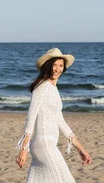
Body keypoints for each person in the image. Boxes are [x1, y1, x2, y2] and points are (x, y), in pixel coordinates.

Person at [15, 48, 92, 182]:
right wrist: (24, 149)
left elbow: (61, 123)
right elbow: (31, 118)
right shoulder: (42, 88)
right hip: (44, 145)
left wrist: (80, 149)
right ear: (48, 66)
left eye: (61, 65)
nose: (58, 69)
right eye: (55, 65)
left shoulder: (53, 89)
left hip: (46, 144)